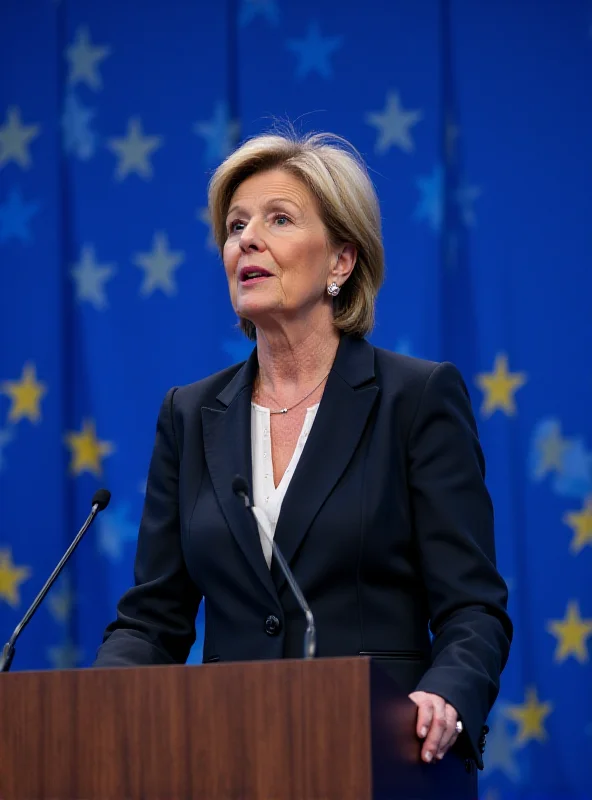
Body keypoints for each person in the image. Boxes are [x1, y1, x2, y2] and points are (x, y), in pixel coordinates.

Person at [93, 129, 512, 770]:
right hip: (223, 758)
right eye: (235, 227)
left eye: (278, 219)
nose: (246, 240)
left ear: (341, 261)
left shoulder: (416, 399)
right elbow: (153, 620)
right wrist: (95, 698)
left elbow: (472, 607)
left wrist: (445, 694)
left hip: (380, 754)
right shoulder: (189, 415)